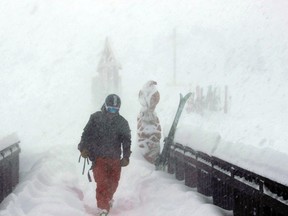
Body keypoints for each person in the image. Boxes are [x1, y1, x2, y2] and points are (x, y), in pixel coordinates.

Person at [78, 94, 131, 216]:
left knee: (113, 183)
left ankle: (108, 199)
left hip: (115, 158)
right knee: (102, 183)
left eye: (115, 110)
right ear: (105, 106)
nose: (112, 112)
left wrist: (126, 157)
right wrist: (83, 148)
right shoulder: (95, 118)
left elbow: (127, 141)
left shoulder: (122, 122)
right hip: (98, 157)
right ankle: (102, 208)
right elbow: (86, 135)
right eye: (110, 109)